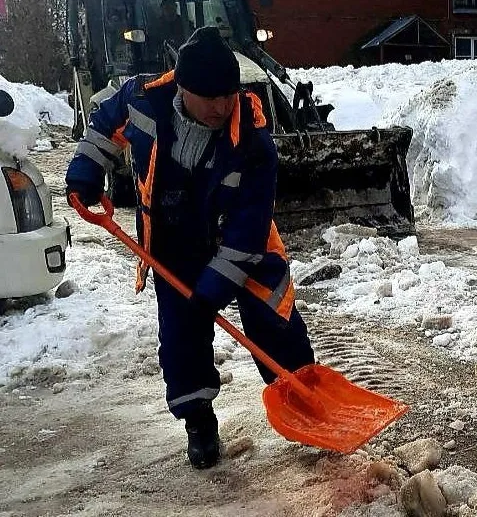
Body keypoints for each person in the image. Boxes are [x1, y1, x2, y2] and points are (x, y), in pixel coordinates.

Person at [65, 27, 315, 470]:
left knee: (275, 320)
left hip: (244, 247)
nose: (222, 107)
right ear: (182, 86)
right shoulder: (141, 99)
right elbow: (103, 126)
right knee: (181, 339)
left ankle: (309, 404)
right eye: (210, 97)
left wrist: (214, 289)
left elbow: (249, 227)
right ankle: (198, 422)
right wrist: (86, 170)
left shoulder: (253, 140)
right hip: (173, 239)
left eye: (229, 95)